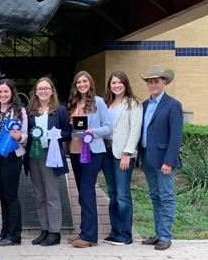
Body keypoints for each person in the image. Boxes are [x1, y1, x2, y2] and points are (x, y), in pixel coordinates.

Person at [139, 65, 183, 251]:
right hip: (147, 158)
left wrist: (168, 161)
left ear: (164, 82)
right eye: (150, 81)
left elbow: (176, 136)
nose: (153, 84)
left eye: (156, 81)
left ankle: (165, 236)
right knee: (155, 197)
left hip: (164, 160)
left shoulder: (173, 105)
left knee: (166, 197)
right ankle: (158, 233)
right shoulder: (144, 105)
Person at [66, 71, 112, 248]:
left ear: (90, 82)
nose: (82, 84)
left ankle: (89, 236)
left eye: (85, 81)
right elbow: (72, 130)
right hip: (76, 152)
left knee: (87, 192)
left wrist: (93, 132)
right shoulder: (74, 103)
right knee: (82, 193)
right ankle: (84, 230)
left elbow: (108, 127)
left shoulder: (98, 102)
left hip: (93, 152)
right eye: (78, 82)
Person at [24, 77, 71, 246]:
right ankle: (44, 229)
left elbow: (68, 131)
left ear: (52, 91)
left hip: (51, 156)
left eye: (46, 88)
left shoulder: (60, 110)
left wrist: (58, 135)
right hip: (33, 156)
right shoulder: (30, 112)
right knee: (39, 196)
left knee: (52, 195)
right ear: (35, 92)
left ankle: (54, 232)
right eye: (40, 88)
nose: (43, 91)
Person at [0, 79, 28, 246]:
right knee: (2, 196)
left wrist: (19, 137)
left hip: (12, 156)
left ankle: (14, 235)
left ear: (11, 93)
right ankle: (4, 233)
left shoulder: (19, 111)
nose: (2, 95)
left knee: (11, 196)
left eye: (6, 92)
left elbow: (26, 135)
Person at [102, 71, 143, 246]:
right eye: (113, 83)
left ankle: (125, 235)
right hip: (106, 151)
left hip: (122, 154)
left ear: (125, 84)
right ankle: (115, 231)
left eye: (119, 82)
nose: (116, 85)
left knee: (122, 195)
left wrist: (128, 153)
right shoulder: (106, 103)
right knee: (112, 194)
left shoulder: (133, 104)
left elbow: (135, 130)